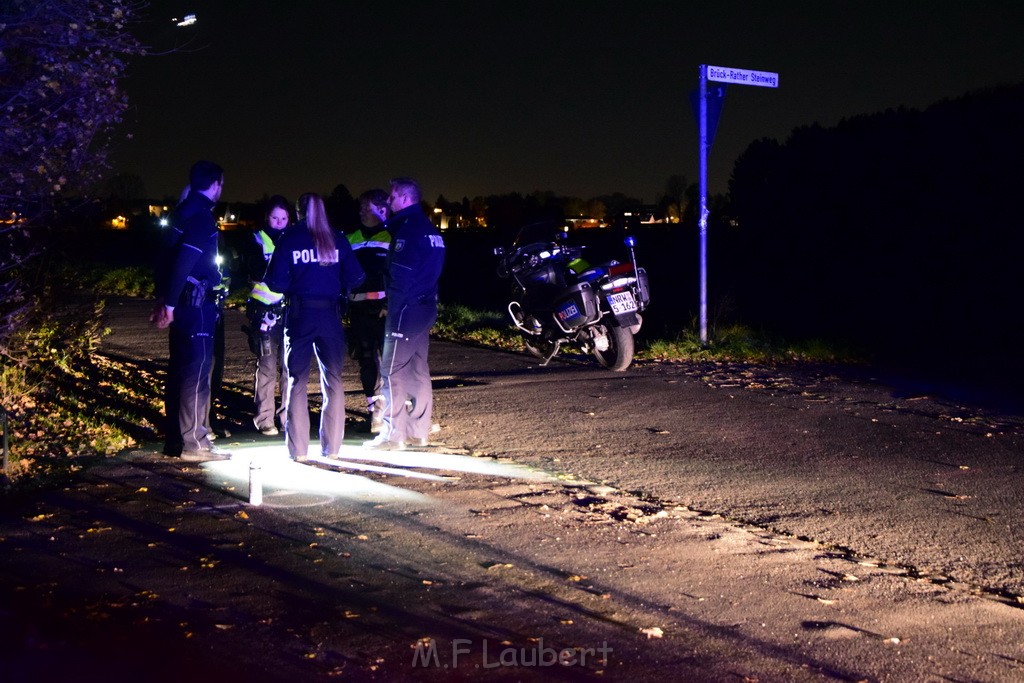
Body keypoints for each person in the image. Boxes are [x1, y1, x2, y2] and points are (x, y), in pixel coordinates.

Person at [264, 192, 365, 462]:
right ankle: (332, 448)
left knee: (296, 380)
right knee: (333, 379)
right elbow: (356, 277)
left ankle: (297, 450)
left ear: (297, 212)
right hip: (330, 316)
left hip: (299, 315)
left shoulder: (289, 238)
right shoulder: (337, 238)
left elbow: (274, 282)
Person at [151, 161, 230, 461]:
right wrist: (168, 304)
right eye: (221, 184)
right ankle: (195, 444)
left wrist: (165, 298)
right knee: (197, 372)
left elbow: (163, 259)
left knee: (186, 370)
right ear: (215, 184)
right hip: (196, 305)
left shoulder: (180, 213)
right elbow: (185, 260)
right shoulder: (201, 218)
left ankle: (195, 439)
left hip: (183, 303)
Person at [364, 177, 445, 451]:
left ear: (406, 199)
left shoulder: (408, 233)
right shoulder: (429, 230)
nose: (389, 200)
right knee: (418, 368)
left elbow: (401, 276)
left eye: (393, 196)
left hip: (405, 310)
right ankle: (418, 431)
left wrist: (393, 306)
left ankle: (392, 435)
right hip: (426, 307)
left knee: (391, 371)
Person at [244, 195, 291, 436]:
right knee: (267, 367)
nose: (279, 222)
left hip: (289, 311)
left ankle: (287, 417)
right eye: (275, 217)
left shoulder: (293, 239)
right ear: (267, 218)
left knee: (290, 368)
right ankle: (265, 419)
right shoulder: (256, 239)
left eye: (284, 218)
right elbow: (254, 270)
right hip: (264, 312)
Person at [347, 189, 391, 433]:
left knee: (389, 362)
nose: (362, 212)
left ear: (382, 210)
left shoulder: (390, 236)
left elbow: (396, 274)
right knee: (365, 360)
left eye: (367, 208)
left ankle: (394, 412)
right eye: (361, 208)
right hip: (357, 307)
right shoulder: (351, 237)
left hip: (382, 309)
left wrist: (388, 304)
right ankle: (374, 409)